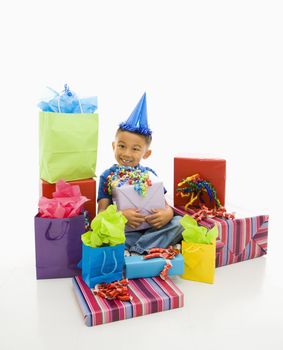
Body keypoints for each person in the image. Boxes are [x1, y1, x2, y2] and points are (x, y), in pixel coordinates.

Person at [97, 93, 183, 254]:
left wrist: (167, 213)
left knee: (180, 222)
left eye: (135, 149)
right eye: (122, 146)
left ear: (146, 153)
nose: (127, 153)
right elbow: (101, 214)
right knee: (102, 234)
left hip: (150, 229)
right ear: (113, 146)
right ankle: (150, 247)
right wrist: (121, 216)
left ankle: (137, 248)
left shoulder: (150, 174)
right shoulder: (107, 175)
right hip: (124, 231)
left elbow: (165, 206)